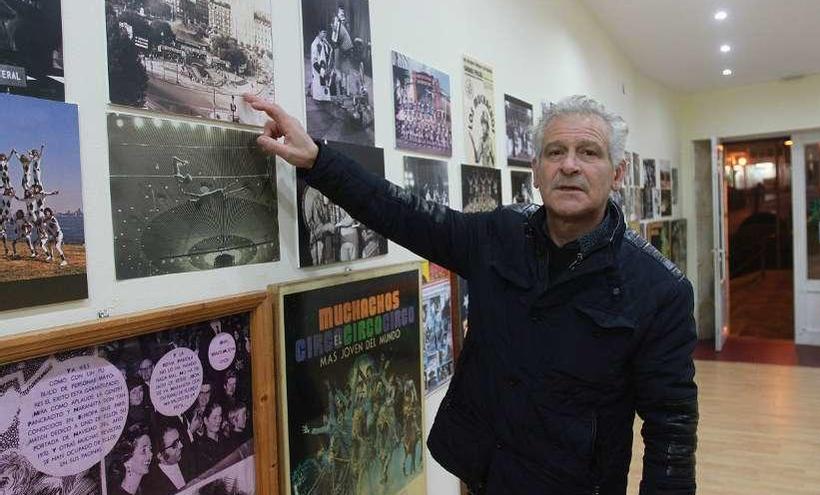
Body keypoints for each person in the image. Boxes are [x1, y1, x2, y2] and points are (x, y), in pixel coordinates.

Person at [243, 93, 698, 494]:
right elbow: (403, 213)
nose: (570, 165)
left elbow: (671, 430)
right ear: (536, 172)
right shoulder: (499, 235)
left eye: (588, 152)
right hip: (482, 470)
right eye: (555, 152)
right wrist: (318, 161)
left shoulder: (660, 289)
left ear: (617, 172)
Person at [141, 424, 195, 495]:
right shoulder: (152, 485)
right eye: (174, 445)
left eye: (179, 440)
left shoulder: (189, 457)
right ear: (160, 456)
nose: (181, 446)